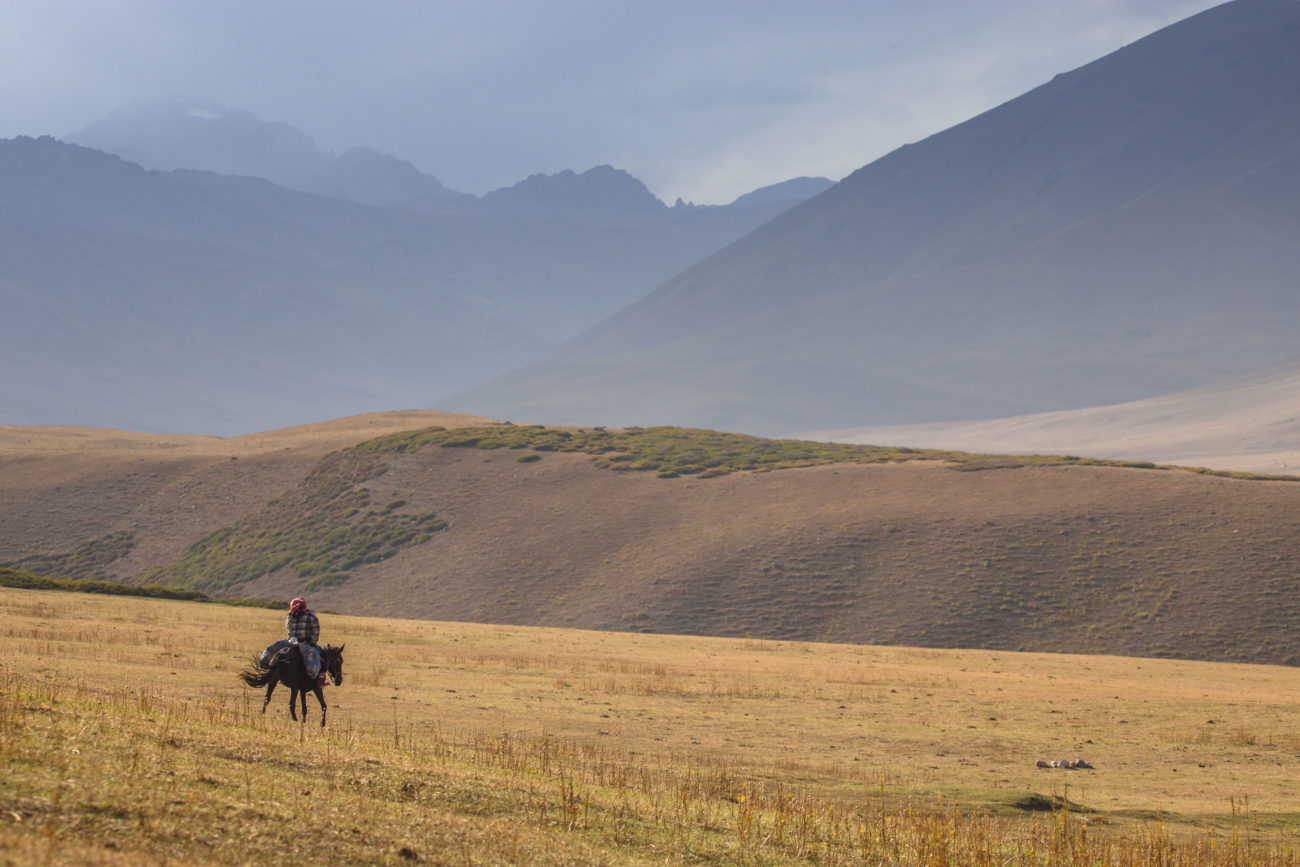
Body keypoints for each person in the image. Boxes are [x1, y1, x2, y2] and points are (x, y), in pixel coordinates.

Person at [285, 596, 327, 687]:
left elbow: (289, 631)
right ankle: (320, 680)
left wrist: (292, 640)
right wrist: (313, 642)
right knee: (324, 656)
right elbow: (316, 630)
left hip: (293, 643)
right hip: (307, 643)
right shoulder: (310, 615)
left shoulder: (289, 616)